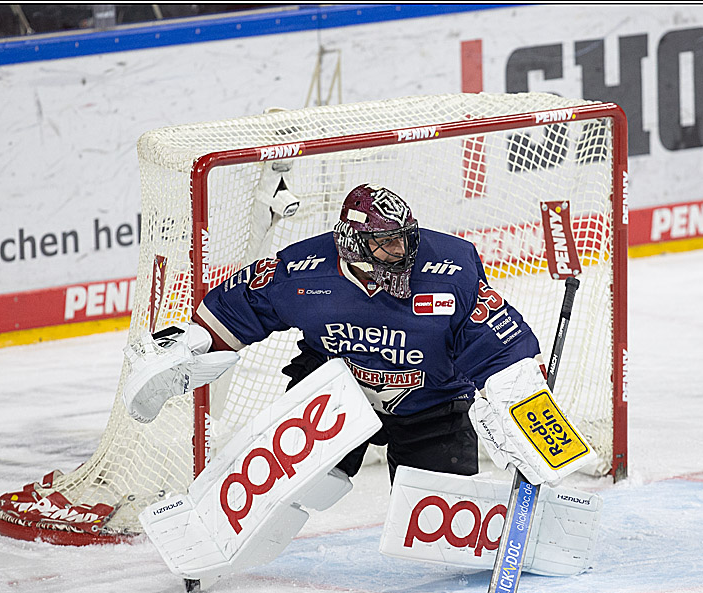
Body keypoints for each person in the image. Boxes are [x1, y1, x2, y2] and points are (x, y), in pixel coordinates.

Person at [136, 183, 544, 483]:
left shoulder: (450, 269)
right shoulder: (303, 271)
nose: (403, 251)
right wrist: (191, 344)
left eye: (405, 238)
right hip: (333, 398)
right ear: (354, 244)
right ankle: (222, 521)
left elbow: (501, 348)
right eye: (387, 244)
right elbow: (242, 304)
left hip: (432, 403)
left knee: (437, 517)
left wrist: (531, 419)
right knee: (290, 487)